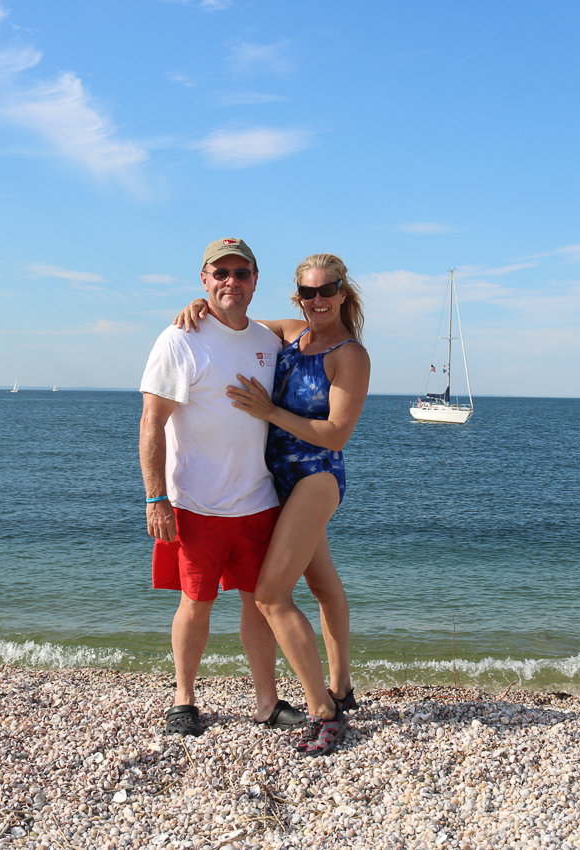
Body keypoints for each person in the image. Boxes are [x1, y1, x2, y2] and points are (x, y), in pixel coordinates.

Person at [176, 253, 370, 757]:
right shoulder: (290, 333)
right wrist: (200, 303)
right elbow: (234, 315)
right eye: (307, 293)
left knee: (269, 595)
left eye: (327, 290)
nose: (318, 300)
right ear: (297, 297)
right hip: (275, 482)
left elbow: (336, 432)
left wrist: (269, 412)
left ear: (343, 293)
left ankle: (324, 715)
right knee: (324, 585)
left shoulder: (350, 354)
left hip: (316, 477)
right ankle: (343, 688)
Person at [139, 237, 308, 737]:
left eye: (241, 273)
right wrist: (155, 497)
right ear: (204, 279)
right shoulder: (178, 339)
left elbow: (313, 327)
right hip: (196, 502)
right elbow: (152, 422)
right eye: (220, 273)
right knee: (196, 601)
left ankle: (266, 702)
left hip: (258, 499)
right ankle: (184, 699)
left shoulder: (270, 339)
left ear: (256, 280)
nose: (230, 281)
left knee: (260, 600)